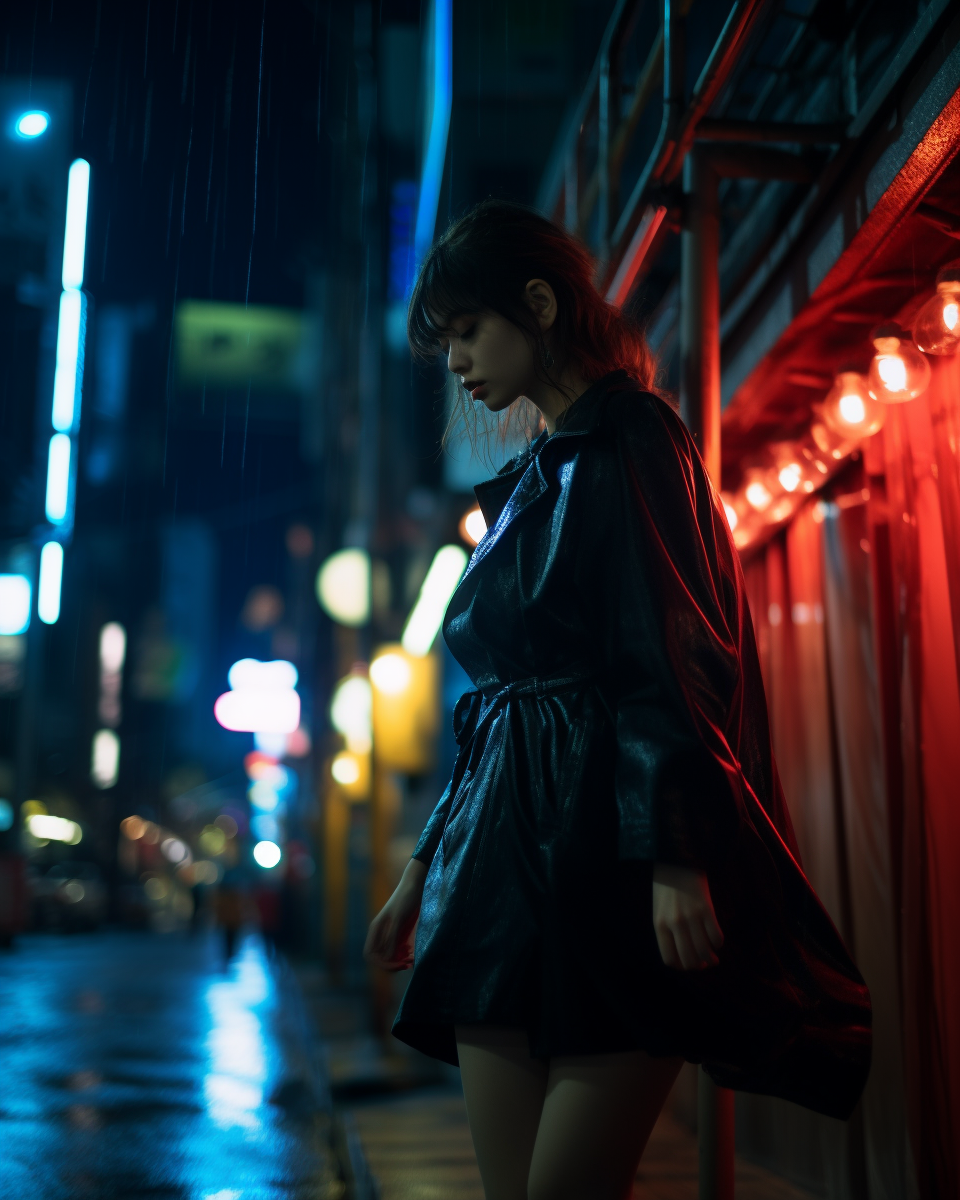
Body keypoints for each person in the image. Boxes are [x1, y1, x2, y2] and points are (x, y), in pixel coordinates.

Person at [364, 200, 871, 1200]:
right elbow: (492, 706)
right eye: (447, 340)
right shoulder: (533, 480)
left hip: (602, 855)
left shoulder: (633, 439)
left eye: (469, 330)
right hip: (498, 871)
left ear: (539, 305)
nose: (456, 361)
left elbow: (671, 655)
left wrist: (677, 854)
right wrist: (423, 865)